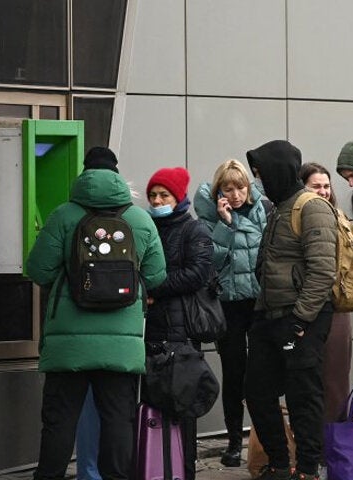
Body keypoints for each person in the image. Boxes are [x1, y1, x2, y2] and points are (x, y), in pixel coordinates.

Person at [27, 147, 166, 480]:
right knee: (118, 419)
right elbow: (158, 273)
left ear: (84, 174)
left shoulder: (64, 215)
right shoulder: (139, 219)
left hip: (67, 343)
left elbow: (37, 269)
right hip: (121, 343)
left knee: (60, 420)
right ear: (117, 174)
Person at [246, 140, 337, 480]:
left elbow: (323, 271)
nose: (260, 180)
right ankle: (281, 463)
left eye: (262, 173)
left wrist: (299, 319)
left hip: (303, 318)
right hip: (268, 315)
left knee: (304, 396)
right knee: (256, 391)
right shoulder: (278, 207)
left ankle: (309, 469)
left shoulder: (310, 207)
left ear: (278, 171)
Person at [194, 159, 269, 467]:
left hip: (259, 303)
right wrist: (225, 226)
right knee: (234, 373)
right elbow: (209, 260)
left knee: (262, 373)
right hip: (228, 305)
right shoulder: (209, 219)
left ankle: (263, 438)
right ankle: (235, 441)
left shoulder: (261, 210)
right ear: (219, 191)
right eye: (229, 188)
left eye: (241, 187)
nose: (236, 194)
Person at [144, 167, 214, 480]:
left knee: (182, 402)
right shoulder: (147, 227)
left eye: (164, 195)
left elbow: (197, 274)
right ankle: (156, 467)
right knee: (153, 402)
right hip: (152, 329)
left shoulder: (193, 230)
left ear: (179, 197)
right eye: (153, 195)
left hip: (181, 332)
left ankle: (183, 471)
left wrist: (154, 288)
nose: (157, 200)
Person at [300, 162, 353, 425]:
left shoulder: (339, 217)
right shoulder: (295, 217)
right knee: (308, 383)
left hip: (335, 309)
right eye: (315, 186)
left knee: (335, 382)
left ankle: (335, 448)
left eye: (326, 186)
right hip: (306, 310)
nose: (322, 191)